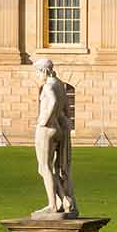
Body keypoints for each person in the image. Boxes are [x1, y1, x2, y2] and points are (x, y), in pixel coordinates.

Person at [31, 57, 77, 219]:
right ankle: (64, 200)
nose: (37, 76)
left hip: (47, 129)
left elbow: (52, 101)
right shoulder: (60, 84)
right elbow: (67, 110)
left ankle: (52, 206)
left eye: (37, 72)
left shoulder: (49, 86)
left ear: (43, 71)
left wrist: (43, 121)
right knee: (52, 168)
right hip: (58, 128)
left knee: (44, 168)